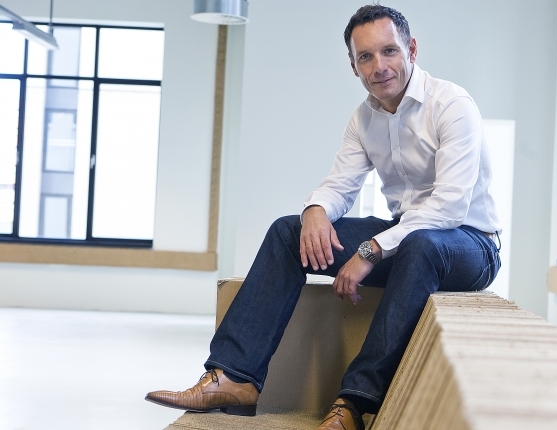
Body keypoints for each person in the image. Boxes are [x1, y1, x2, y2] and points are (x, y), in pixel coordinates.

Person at [145, 4, 501, 430]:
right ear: (353, 65)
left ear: (411, 49)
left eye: (389, 51)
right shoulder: (363, 119)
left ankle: (353, 403)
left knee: (422, 244)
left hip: (469, 243)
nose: (379, 66)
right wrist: (315, 210)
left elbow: (449, 206)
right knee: (288, 231)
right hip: (405, 240)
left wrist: (370, 249)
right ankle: (235, 378)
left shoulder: (451, 105)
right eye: (365, 56)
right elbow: (340, 185)